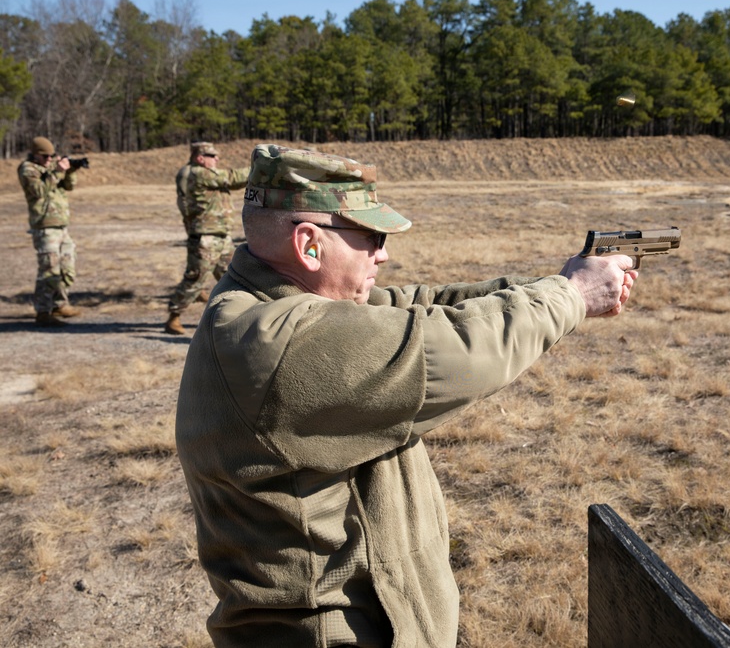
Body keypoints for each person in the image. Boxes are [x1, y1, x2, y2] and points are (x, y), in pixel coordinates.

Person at [175, 144, 639, 648]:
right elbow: (460, 348)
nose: (384, 253)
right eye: (372, 236)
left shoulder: (277, 301)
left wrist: (558, 281)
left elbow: (421, 305)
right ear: (309, 245)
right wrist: (571, 296)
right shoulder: (278, 340)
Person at [165, 141, 250, 335]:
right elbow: (233, 177)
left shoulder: (203, 174)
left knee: (235, 276)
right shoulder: (198, 173)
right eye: (212, 156)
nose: (217, 159)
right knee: (195, 279)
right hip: (206, 238)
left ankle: (238, 315)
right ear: (200, 158)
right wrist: (261, 167)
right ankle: (173, 316)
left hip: (221, 236)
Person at [17, 136, 84, 327]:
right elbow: (38, 191)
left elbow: (68, 186)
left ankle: (60, 303)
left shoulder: (50, 167)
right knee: (49, 270)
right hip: (45, 227)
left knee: (67, 269)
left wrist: (70, 171)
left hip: (62, 226)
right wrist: (56, 170)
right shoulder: (27, 169)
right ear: (35, 154)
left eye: (51, 156)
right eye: (44, 156)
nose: (49, 159)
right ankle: (43, 311)